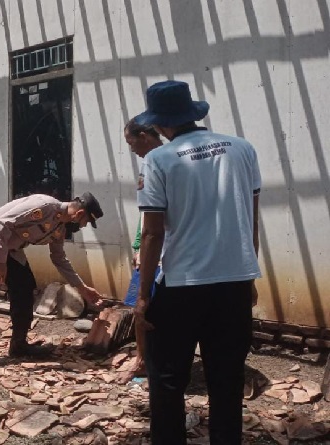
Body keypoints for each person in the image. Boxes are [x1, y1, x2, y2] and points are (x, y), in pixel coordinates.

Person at [133, 80, 261, 444]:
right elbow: (250, 220)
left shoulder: (159, 159)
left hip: (183, 287)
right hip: (234, 285)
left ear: (159, 124)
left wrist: (142, 297)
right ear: (192, 113)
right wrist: (248, 277)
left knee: (168, 380)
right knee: (227, 379)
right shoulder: (242, 149)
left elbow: (153, 233)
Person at [0, 192, 104, 375]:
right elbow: (1, 223)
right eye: (85, 222)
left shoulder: (59, 228)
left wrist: (82, 288)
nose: (82, 226)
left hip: (11, 249)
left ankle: (19, 344)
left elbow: (59, 259)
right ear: (79, 213)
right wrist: (0, 263)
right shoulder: (44, 206)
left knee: (25, 288)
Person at [123, 119, 163, 380]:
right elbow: (146, 218)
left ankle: (148, 362)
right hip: (149, 250)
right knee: (139, 310)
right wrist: (139, 246)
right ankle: (142, 359)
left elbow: (155, 226)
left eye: (131, 143)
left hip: (165, 253)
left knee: (146, 307)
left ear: (143, 136)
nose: (132, 149)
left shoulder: (161, 161)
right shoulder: (151, 164)